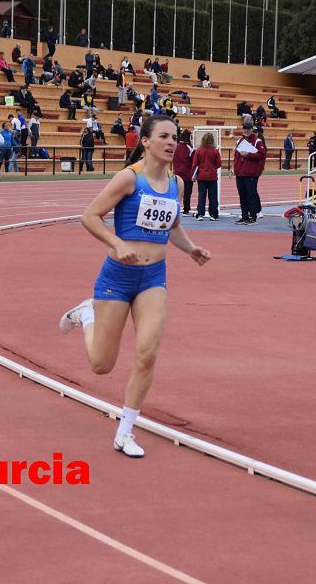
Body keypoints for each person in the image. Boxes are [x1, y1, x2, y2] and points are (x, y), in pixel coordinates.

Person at [59, 115, 211, 458]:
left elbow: (172, 227)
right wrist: (116, 243)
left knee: (147, 353)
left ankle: (125, 430)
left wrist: (191, 250)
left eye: (175, 137)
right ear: (145, 141)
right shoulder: (129, 178)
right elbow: (90, 216)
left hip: (153, 278)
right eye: (164, 136)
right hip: (117, 277)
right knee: (101, 365)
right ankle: (87, 315)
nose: (172, 142)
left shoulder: (178, 184)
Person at [233, 120, 266, 225]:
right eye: (245, 128)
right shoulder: (239, 141)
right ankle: (244, 216)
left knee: (251, 195)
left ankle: (253, 217)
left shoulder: (257, 141)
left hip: (250, 173)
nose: (246, 130)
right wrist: (235, 169)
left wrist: (248, 154)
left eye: (248, 128)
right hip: (240, 173)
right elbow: (237, 157)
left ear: (251, 129)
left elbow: (261, 155)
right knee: (242, 196)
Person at [192, 131, 221, 220]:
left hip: (201, 176)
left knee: (201, 195)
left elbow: (195, 163)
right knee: (213, 196)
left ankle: (200, 213)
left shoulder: (198, 150)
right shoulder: (215, 151)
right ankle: (214, 214)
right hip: (212, 176)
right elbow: (218, 164)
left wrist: (195, 174)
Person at [172, 128, 195, 215]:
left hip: (177, 172)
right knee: (187, 193)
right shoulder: (189, 147)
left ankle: (174, 208)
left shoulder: (176, 146)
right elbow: (193, 160)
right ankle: (186, 209)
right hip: (187, 173)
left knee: (176, 192)